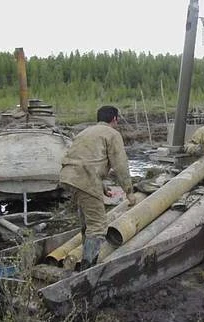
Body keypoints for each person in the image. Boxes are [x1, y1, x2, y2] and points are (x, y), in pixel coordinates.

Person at [60, 105, 136, 270]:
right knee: (98, 225)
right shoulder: (112, 134)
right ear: (114, 119)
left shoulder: (85, 132)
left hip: (69, 177)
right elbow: (120, 166)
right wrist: (129, 192)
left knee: (88, 220)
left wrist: (101, 185)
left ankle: (83, 258)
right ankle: (87, 268)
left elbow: (85, 160)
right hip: (85, 179)